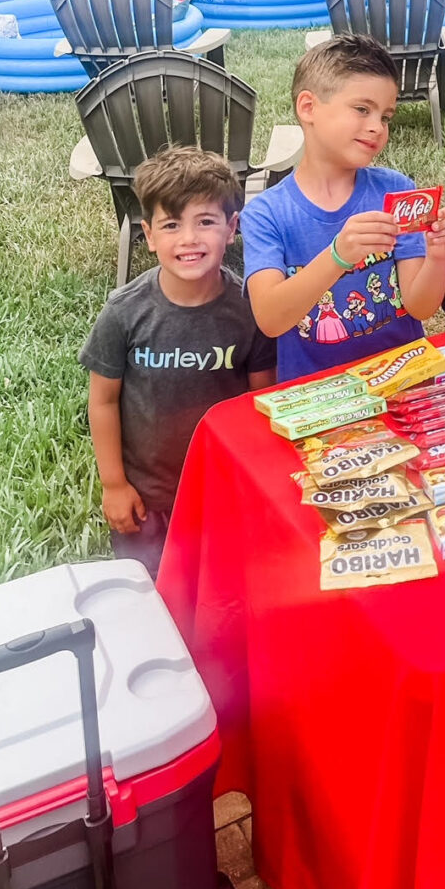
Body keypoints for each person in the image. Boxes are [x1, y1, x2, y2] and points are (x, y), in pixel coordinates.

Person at [80, 147, 274, 578]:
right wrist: (114, 484)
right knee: (148, 595)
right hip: (147, 500)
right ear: (149, 235)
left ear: (231, 229)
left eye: (205, 221)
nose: (189, 238)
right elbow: (103, 401)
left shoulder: (250, 310)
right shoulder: (124, 312)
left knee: (220, 584)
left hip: (224, 490)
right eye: (171, 225)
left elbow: (260, 401)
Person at [240, 34, 445, 382]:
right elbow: (270, 319)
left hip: (404, 380)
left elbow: (420, 307)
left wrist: (438, 257)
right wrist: (338, 256)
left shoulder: (396, 190)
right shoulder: (266, 214)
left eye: (386, 116)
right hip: (318, 393)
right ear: (308, 107)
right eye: (362, 109)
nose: (377, 127)